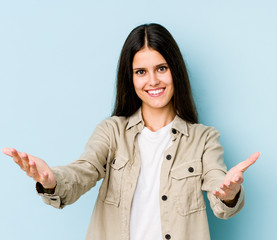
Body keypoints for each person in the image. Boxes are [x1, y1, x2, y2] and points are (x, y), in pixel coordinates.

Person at [2, 23, 260, 240]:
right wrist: (51, 180)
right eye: (141, 72)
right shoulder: (111, 131)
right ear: (130, 77)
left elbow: (219, 188)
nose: (153, 81)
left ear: (175, 71)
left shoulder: (204, 138)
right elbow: (83, 171)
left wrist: (229, 193)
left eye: (161, 68)